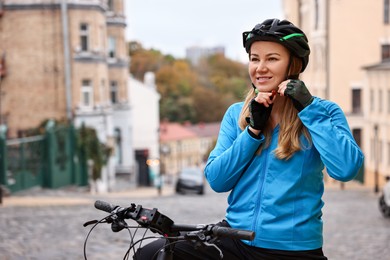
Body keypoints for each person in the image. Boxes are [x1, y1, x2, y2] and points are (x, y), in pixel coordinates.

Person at [134, 18, 364, 260]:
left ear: (293, 65)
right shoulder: (237, 113)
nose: (260, 68)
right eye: (255, 59)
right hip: (235, 239)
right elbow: (217, 180)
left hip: (292, 250)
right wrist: (252, 131)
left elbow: (346, 169)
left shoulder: (324, 112)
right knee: (153, 253)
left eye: (272, 59)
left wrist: (308, 109)